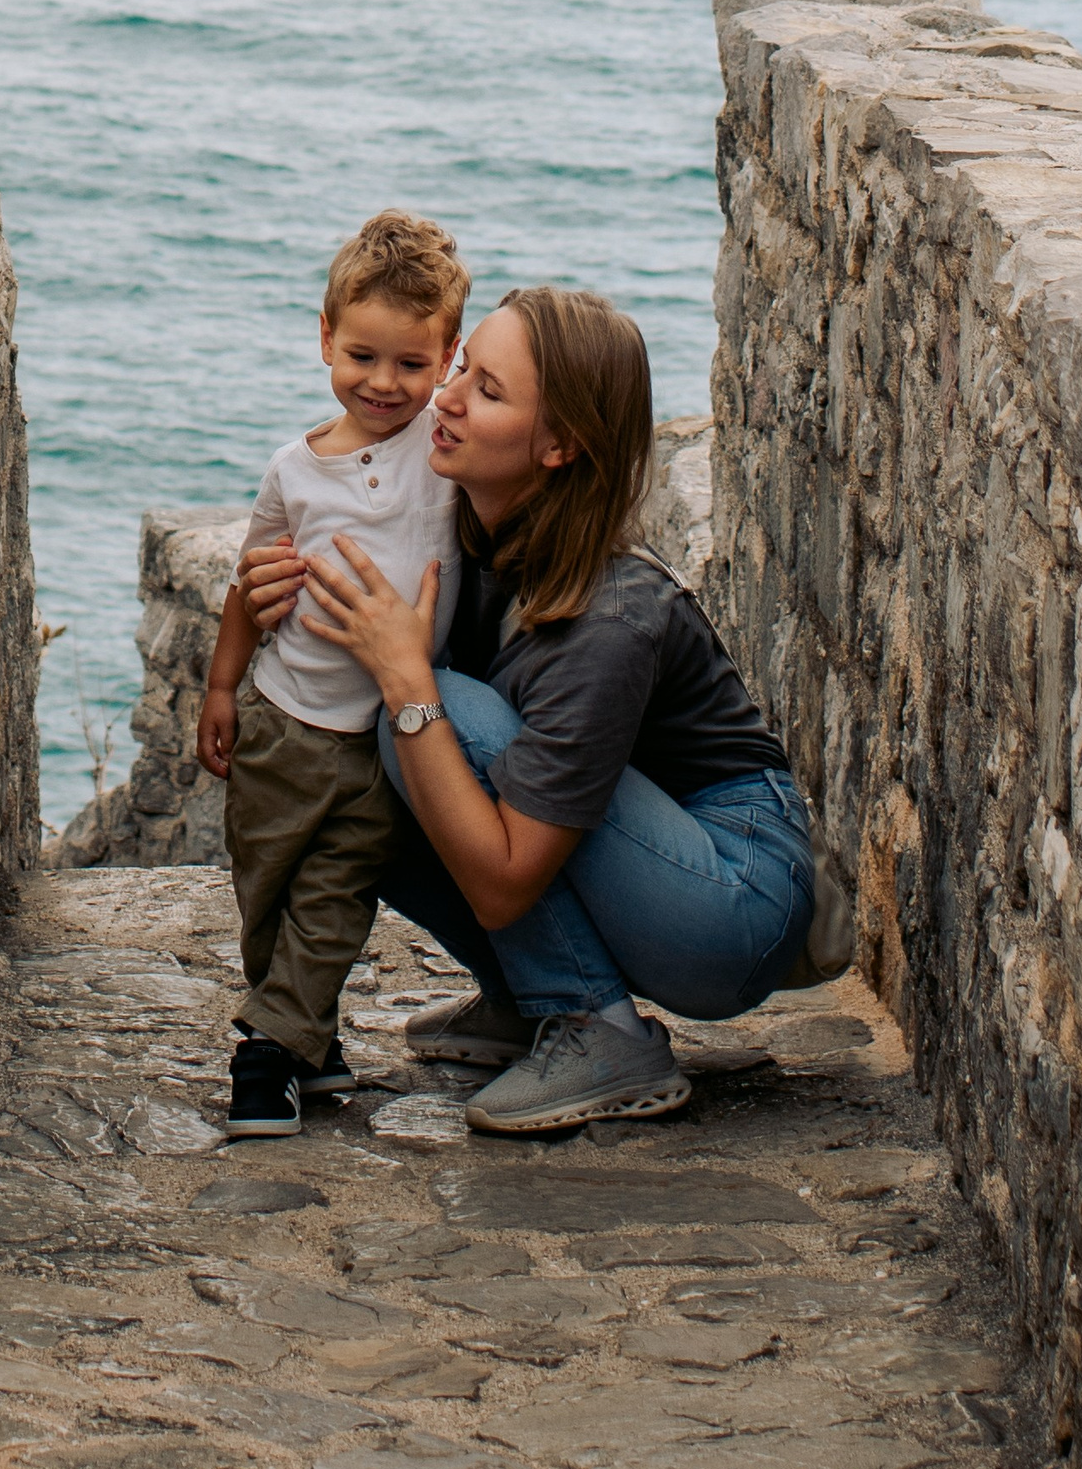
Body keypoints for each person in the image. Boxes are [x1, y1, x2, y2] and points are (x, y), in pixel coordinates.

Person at [240, 285, 818, 1134]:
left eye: (488, 391)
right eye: (462, 369)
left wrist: (406, 679)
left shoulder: (611, 617)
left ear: (559, 444)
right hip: (627, 846)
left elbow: (505, 883)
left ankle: (597, 1027)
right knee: (370, 752)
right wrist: (273, 588)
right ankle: (531, 998)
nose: (446, 398)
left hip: (733, 897)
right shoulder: (468, 527)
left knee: (431, 713)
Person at [194, 211, 469, 1136]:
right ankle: (305, 1038)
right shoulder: (293, 472)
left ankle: (266, 1055)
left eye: (412, 363)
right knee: (266, 892)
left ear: (448, 357)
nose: (384, 382)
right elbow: (251, 585)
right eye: (362, 356)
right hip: (282, 723)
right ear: (325, 338)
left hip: (382, 738)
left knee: (334, 898)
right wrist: (222, 687)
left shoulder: (445, 454)